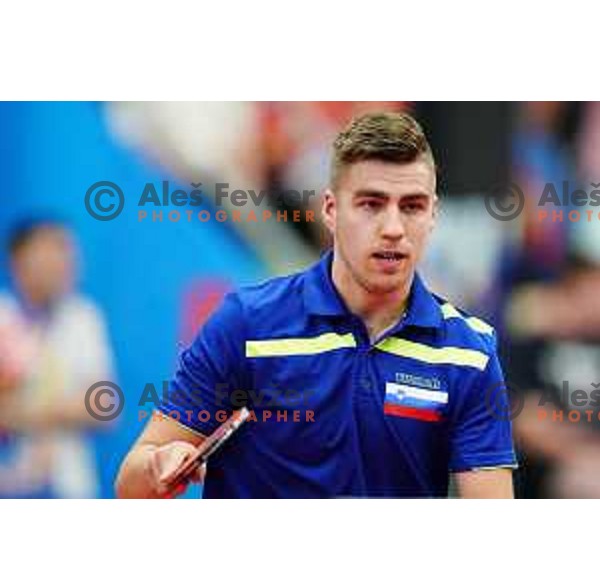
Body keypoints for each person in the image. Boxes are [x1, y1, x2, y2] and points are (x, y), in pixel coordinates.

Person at [116, 112, 517, 499]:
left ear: (433, 216)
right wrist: (158, 465)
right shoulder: (247, 322)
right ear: (331, 210)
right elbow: (130, 483)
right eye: (370, 205)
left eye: (411, 206)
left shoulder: (470, 352)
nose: (393, 229)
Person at [0, 219, 115, 498]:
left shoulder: (83, 318)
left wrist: (23, 411)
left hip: (70, 486)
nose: (63, 264)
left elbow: (105, 406)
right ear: (18, 262)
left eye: (67, 253)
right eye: (50, 253)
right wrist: (65, 408)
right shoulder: (4, 316)